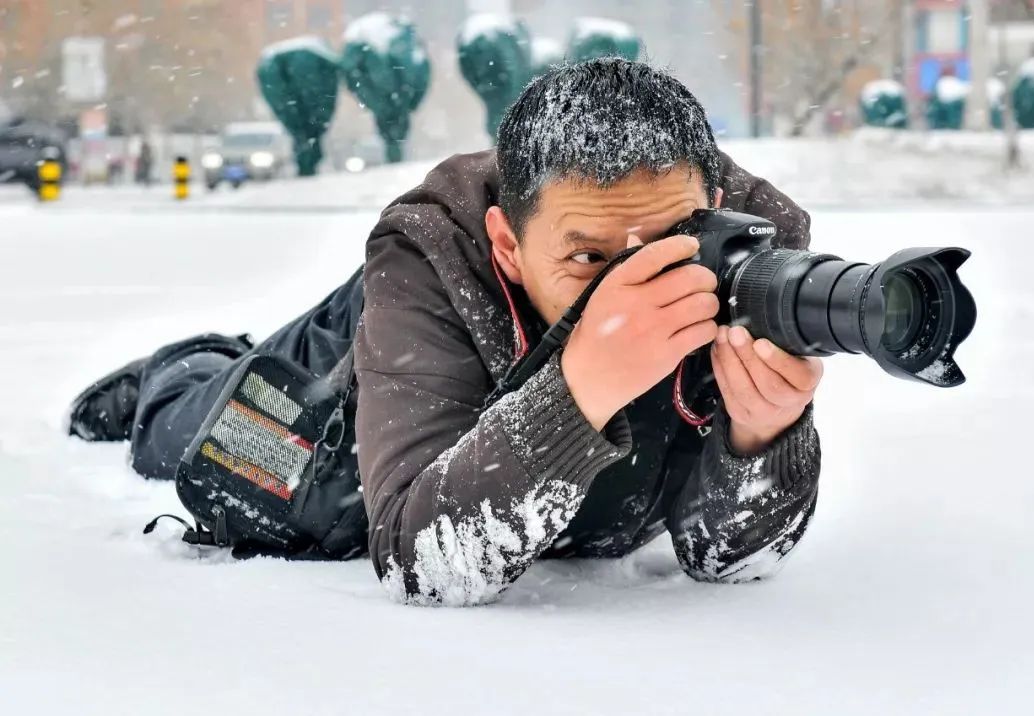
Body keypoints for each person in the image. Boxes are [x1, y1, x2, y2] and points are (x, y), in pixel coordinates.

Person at [69, 59, 823, 606]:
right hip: (355, 378)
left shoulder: (761, 254)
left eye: (673, 243)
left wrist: (763, 440)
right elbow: (423, 562)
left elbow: (726, 559)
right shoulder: (433, 254)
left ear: (715, 203)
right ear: (507, 243)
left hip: (504, 436)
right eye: (589, 258)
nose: (635, 286)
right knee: (187, 434)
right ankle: (180, 365)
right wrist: (583, 385)